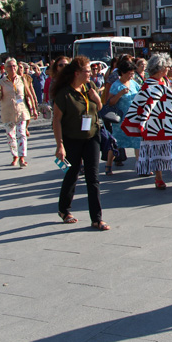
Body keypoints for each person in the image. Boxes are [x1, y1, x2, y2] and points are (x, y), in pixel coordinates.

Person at [121, 53, 172, 190]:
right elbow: (146, 103)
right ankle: (161, 179)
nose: (169, 69)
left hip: (168, 124)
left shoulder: (165, 82)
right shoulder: (150, 84)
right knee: (157, 152)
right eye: (167, 67)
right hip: (155, 126)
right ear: (161, 68)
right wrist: (143, 119)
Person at [51, 56, 109, 230]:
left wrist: (96, 98)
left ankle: (97, 218)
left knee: (93, 178)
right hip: (72, 139)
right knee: (72, 174)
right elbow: (56, 121)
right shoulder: (64, 94)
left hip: (92, 136)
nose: (90, 73)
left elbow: (98, 108)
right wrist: (59, 144)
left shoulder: (90, 87)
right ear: (77, 73)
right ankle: (64, 210)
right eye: (87, 71)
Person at [0, 58, 38, 167]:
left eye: (14, 66)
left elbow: (28, 94)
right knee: (10, 136)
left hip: (21, 111)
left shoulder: (22, 79)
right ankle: (15, 156)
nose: (13, 68)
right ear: (5, 69)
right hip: (8, 112)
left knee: (22, 134)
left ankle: (22, 157)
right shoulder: (1, 82)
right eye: (10, 66)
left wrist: (34, 108)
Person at [104, 59, 141, 175]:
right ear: (123, 73)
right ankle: (108, 165)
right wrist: (120, 94)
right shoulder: (116, 85)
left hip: (134, 118)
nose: (131, 75)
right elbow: (110, 102)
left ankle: (141, 167)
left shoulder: (134, 83)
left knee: (138, 141)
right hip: (120, 120)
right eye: (129, 73)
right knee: (117, 143)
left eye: (132, 73)